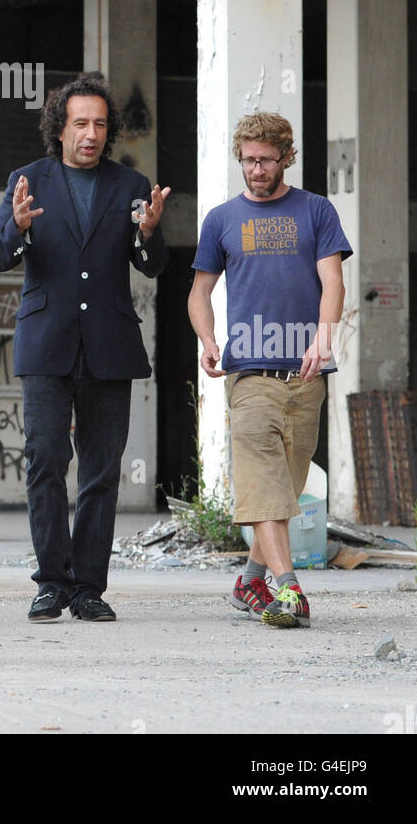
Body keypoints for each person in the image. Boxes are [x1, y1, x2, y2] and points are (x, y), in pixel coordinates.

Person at [0, 73, 170, 622]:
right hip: (46, 344)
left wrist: (149, 234)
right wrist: (17, 227)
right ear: (59, 128)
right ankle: (51, 582)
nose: (90, 134)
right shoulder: (27, 180)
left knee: (101, 470)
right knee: (44, 460)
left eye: (99, 124)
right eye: (80, 123)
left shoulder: (131, 186)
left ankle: (88, 586)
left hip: (110, 346)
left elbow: (153, 266)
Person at [188, 112, 351, 629]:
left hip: (305, 374)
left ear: (286, 157)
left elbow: (333, 284)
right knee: (261, 478)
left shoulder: (316, 211)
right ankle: (289, 590)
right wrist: (209, 339)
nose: (256, 169)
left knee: (286, 488)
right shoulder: (221, 219)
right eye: (248, 160)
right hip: (250, 372)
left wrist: (324, 338)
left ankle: (250, 579)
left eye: (266, 160)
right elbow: (199, 292)